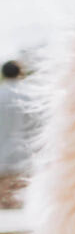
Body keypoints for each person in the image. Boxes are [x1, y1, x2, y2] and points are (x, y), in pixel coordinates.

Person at [0, 60, 31, 209]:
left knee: (3, 200)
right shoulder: (31, 96)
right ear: (21, 73)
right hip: (25, 155)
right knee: (21, 200)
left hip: (1, 154)